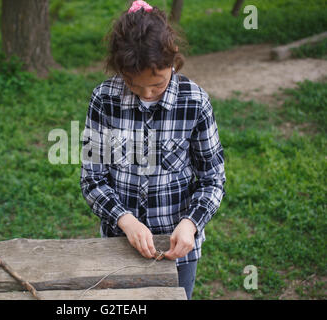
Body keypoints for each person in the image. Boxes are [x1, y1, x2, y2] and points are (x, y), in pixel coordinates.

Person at [79, 0, 226, 300]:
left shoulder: (195, 102)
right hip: (118, 246)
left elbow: (213, 179)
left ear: (174, 62)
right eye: (134, 86)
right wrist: (125, 220)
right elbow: (92, 179)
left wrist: (191, 223)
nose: (147, 93)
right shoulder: (104, 100)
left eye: (157, 85)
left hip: (179, 251)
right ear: (121, 71)